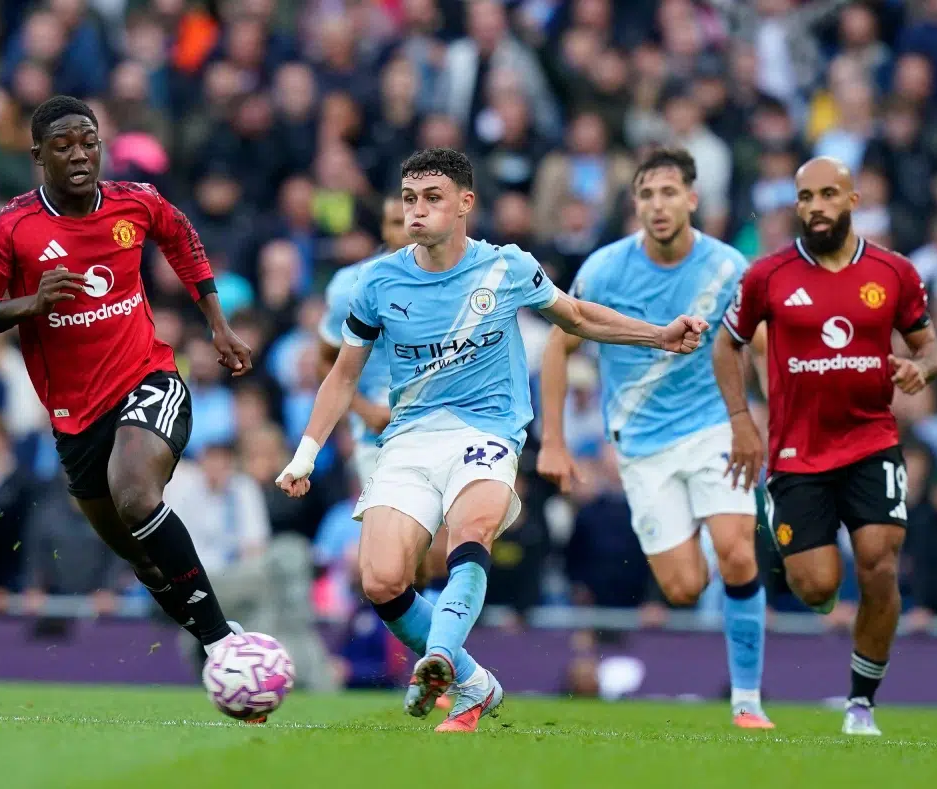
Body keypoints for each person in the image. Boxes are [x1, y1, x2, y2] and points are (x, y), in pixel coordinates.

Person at [276, 148, 707, 732]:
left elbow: (577, 317)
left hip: (487, 432)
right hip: (410, 440)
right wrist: (304, 455)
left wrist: (659, 334)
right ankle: (474, 683)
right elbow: (342, 374)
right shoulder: (378, 281)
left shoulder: (506, 268)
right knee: (379, 579)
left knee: (470, 531)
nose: (417, 211)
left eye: (432, 198)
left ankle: (441, 657)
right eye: (409, 199)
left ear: (464, 205)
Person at [0, 96, 255, 682]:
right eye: (62, 145)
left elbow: (182, 237)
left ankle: (222, 647)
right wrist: (30, 304)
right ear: (38, 155)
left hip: (148, 380)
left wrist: (217, 322)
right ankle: (218, 638)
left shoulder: (135, 202)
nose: (80, 153)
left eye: (88, 140)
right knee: (139, 553)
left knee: (136, 495)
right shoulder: (10, 228)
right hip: (74, 419)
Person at [537, 148, 773, 729]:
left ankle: (747, 703)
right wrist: (554, 442)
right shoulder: (604, 270)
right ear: (635, 204)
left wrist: (767, 422)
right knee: (684, 587)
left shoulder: (728, 268)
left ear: (692, 200)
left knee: (739, 552)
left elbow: (762, 347)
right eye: (646, 194)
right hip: (641, 446)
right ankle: (708, 524)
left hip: (714, 427)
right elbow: (557, 348)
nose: (658, 204)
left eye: (669, 193)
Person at [714, 156, 937, 736]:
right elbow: (727, 345)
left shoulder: (895, 273)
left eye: (827, 195)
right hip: (797, 453)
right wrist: (743, 421)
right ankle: (820, 594)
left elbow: (929, 346)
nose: (816, 207)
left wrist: (921, 369)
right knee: (816, 588)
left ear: (852, 199)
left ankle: (861, 702)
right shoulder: (768, 275)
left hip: (872, 441)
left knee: (879, 565)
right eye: (806, 197)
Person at [318, 196, 450, 588]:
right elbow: (326, 360)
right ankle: (420, 646)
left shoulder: (459, 280)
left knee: (437, 558)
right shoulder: (349, 286)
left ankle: (436, 642)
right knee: (396, 562)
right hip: (379, 438)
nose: (407, 228)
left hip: (443, 433)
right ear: (383, 228)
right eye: (397, 220)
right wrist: (363, 409)